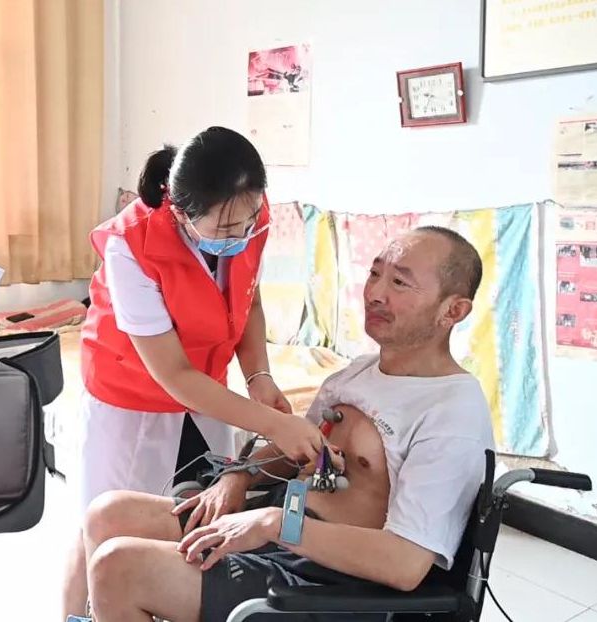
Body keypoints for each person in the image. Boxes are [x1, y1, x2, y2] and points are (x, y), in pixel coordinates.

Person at [80, 227, 496, 622]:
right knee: (108, 514)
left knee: (119, 569)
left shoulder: (451, 412)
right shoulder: (357, 373)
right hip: (284, 532)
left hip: (330, 582)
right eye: (374, 274)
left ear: (453, 310)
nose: (375, 293)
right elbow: (297, 448)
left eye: (400, 283)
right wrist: (240, 477)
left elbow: (404, 563)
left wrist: (275, 525)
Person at [63, 127, 326, 618]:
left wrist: (259, 376)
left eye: (250, 221)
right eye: (227, 230)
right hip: (132, 394)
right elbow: (175, 374)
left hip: (208, 388)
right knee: (103, 523)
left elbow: (247, 296)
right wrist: (274, 425)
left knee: (195, 516)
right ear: (182, 213)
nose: (242, 235)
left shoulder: (247, 215)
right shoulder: (131, 246)